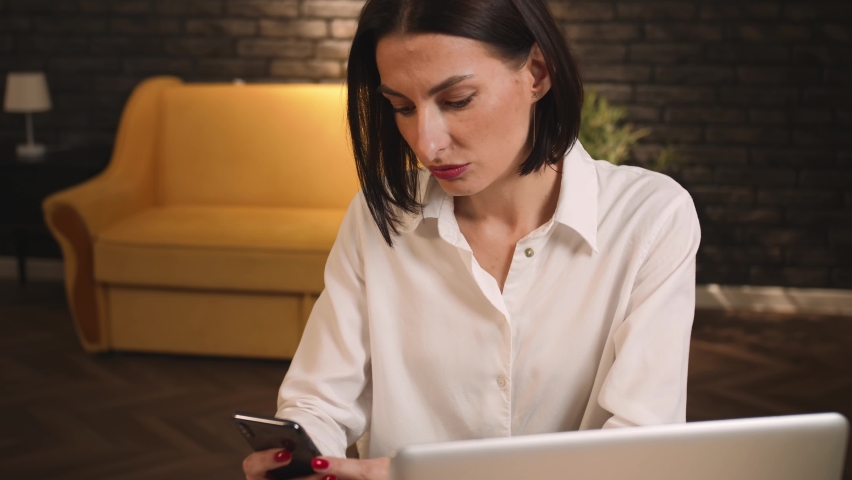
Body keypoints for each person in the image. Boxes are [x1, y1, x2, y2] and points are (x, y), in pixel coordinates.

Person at [243, 0, 701, 479]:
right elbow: (319, 398)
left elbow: (642, 451)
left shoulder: (650, 217)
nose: (426, 143)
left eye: (457, 100)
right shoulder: (378, 216)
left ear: (538, 74)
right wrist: (300, 451)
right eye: (401, 107)